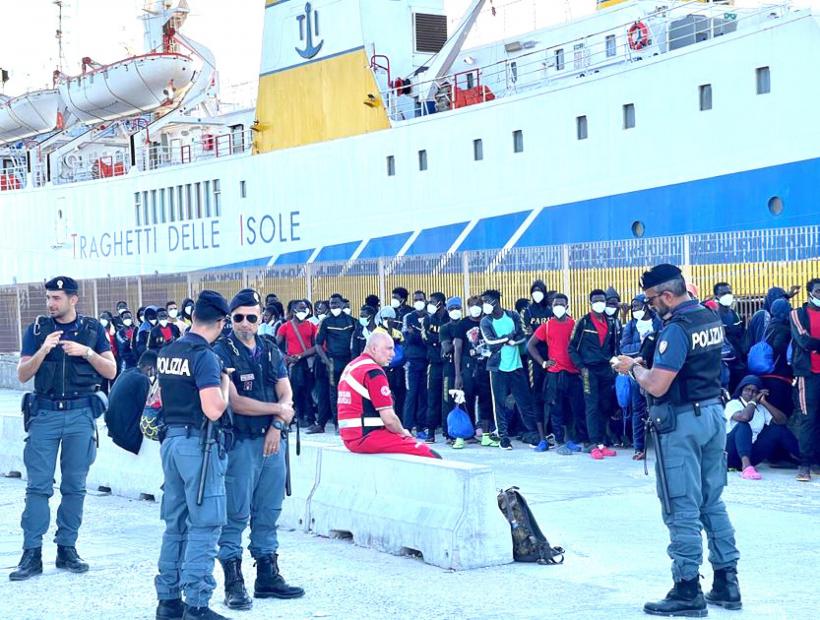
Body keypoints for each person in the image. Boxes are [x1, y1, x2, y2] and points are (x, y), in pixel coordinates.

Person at [612, 263, 741, 616]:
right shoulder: (708, 318)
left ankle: (687, 589)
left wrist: (633, 368)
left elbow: (656, 384)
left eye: (652, 300)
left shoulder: (677, 328)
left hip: (683, 422)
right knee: (712, 502)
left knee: (680, 505)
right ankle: (727, 582)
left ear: (667, 295)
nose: (650, 306)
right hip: (713, 414)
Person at [10, 276, 117, 581]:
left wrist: (86, 352)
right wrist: (44, 350)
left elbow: (111, 370)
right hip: (44, 415)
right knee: (38, 488)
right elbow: (22, 375)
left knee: (74, 487)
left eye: (56, 298)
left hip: (80, 415)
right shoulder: (37, 330)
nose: (50, 303)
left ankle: (66, 548)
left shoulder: (92, 330)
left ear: (74, 299)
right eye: (48, 298)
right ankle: (31, 554)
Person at [214, 289, 304, 610]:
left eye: (252, 317)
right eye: (239, 317)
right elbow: (235, 402)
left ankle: (267, 576)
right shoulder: (220, 351)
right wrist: (278, 412)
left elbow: (285, 389)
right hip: (240, 443)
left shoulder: (268, 348)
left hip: (272, 441)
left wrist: (277, 425)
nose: (246, 324)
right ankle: (234, 581)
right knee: (235, 512)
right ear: (230, 318)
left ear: (260, 317)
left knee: (268, 510)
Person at [154, 290, 232, 620]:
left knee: (175, 526)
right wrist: (225, 385)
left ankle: (168, 601)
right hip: (198, 446)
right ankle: (197, 605)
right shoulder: (205, 356)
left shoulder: (169, 350)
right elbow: (213, 408)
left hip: (171, 442)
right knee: (205, 524)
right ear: (221, 321)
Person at [338, 331, 440, 458]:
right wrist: (403, 433)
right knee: (426, 452)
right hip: (366, 436)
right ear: (374, 349)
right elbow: (389, 419)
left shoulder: (353, 366)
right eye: (389, 348)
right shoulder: (373, 372)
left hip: (350, 437)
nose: (393, 353)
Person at [479, 289, 539, 450]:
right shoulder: (485, 321)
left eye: (486, 301)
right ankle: (503, 437)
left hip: (516, 366)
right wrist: (508, 338)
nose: (483, 304)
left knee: (524, 402)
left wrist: (513, 340)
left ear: (495, 301)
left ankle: (533, 434)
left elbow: (523, 334)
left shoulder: (512, 315)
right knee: (499, 403)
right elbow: (490, 342)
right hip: (497, 368)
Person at [527, 293, 586, 455]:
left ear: (567, 306)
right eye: (555, 304)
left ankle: (570, 440)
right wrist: (543, 362)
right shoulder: (546, 326)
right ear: (552, 307)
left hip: (573, 373)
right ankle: (560, 442)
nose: (558, 307)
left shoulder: (574, 324)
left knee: (573, 408)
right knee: (556, 408)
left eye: (561, 304)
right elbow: (530, 345)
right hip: (554, 373)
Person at [569, 289, 619, 459]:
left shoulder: (610, 322)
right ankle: (593, 444)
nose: (600, 303)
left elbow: (613, 346)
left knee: (605, 405)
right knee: (591, 406)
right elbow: (572, 347)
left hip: (605, 369)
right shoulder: (583, 322)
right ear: (590, 303)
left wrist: (613, 364)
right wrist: (581, 367)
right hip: (588, 371)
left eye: (602, 300)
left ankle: (602, 442)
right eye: (596, 300)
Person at [724, 375, 799, 479]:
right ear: (741, 390)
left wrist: (764, 402)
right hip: (730, 453)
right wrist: (753, 400)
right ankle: (746, 467)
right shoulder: (733, 404)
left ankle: (808, 460)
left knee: (777, 430)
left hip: (751, 453)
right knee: (743, 425)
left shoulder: (761, 408)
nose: (750, 393)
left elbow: (782, 420)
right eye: (747, 390)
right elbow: (745, 417)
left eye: (754, 391)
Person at [620, 294, 663, 460]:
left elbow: (662, 343)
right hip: (636, 372)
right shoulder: (631, 326)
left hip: (656, 370)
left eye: (638, 306)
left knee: (658, 408)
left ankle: (661, 446)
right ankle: (639, 448)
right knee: (638, 409)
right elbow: (625, 349)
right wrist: (646, 344)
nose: (635, 310)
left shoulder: (658, 322)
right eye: (633, 307)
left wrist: (650, 344)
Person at [789, 277, 820, 482]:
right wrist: (813, 344)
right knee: (808, 419)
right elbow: (804, 340)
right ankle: (805, 464)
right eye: (818, 291)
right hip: (807, 375)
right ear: (810, 293)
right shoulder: (797, 314)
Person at [312, 295, 356, 434]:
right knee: (334, 394)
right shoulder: (325, 322)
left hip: (348, 361)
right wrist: (326, 361)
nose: (334, 306)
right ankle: (338, 424)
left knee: (349, 393)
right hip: (332, 362)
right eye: (331, 304)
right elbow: (318, 345)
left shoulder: (352, 321)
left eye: (336, 303)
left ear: (343, 304)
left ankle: (350, 422)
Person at [454, 296, 494, 445]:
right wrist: (458, 374)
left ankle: (485, 434)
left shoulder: (488, 322)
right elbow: (457, 349)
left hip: (486, 367)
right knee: (467, 400)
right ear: (468, 307)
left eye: (478, 304)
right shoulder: (462, 324)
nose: (475, 307)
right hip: (468, 368)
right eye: (472, 305)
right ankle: (468, 433)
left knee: (486, 401)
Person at [105, 350, 158, 455]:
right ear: (150, 368)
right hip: (127, 435)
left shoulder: (126, 372)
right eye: (156, 371)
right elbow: (144, 408)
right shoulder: (143, 379)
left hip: (113, 429)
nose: (155, 374)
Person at [277, 299, 318, 428]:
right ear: (294, 310)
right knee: (296, 390)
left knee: (308, 390)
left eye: (305, 308)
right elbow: (276, 345)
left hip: (307, 362)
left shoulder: (311, 326)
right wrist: (286, 357)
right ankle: (296, 417)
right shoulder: (285, 326)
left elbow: (316, 346)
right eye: (301, 308)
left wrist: (300, 355)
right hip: (293, 364)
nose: (304, 311)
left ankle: (309, 418)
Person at [522, 280, 554, 435]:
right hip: (533, 360)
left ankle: (554, 431)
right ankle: (541, 434)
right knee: (536, 395)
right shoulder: (526, 312)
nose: (537, 294)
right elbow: (528, 337)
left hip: (552, 357)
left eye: (540, 290)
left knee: (553, 394)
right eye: (534, 291)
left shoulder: (551, 311)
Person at [421, 292, 450, 442]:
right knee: (432, 399)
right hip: (433, 364)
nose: (429, 304)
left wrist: (437, 340)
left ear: (440, 303)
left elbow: (450, 338)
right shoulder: (427, 319)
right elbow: (425, 338)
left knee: (446, 399)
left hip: (448, 364)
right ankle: (430, 432)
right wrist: (439, 340)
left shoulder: (449, 318)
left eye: (432, 301)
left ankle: (447, 432)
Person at [759, 298, 794, 417]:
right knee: (781, 411)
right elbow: (778, 345)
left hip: (766, 372)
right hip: (779, 375)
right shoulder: (784, 328)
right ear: (784, 312)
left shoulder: (769, 326)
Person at [402, 290, 429, 434]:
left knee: (424, 395)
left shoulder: (429, 317)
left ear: (425, 300)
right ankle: (407, 427)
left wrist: (416, 334)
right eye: (416, 299)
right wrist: (420, 336)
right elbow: (407, 337)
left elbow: (428, 340)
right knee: (411, 394)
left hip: (426, 361)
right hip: (411, 363)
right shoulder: (408, 317)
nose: (418, 301)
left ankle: (421, 427)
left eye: (420, 299)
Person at [375, 306, 407, 422]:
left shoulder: (398, 333)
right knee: (385, 396)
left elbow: (402, 348)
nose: (388, 320)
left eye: (391, 318)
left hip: (398, 368)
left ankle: (399, 420)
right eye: (386, 318)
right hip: (384, 369)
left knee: (400, 396)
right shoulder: (377, 332)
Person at [713, 282, 746, 393]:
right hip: (722, 364)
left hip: (737, 362)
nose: (727, 295)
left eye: (729, 292)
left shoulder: (735, 314)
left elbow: (741, 335)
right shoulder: (713, 315)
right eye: (723, 293)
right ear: (716, 296)